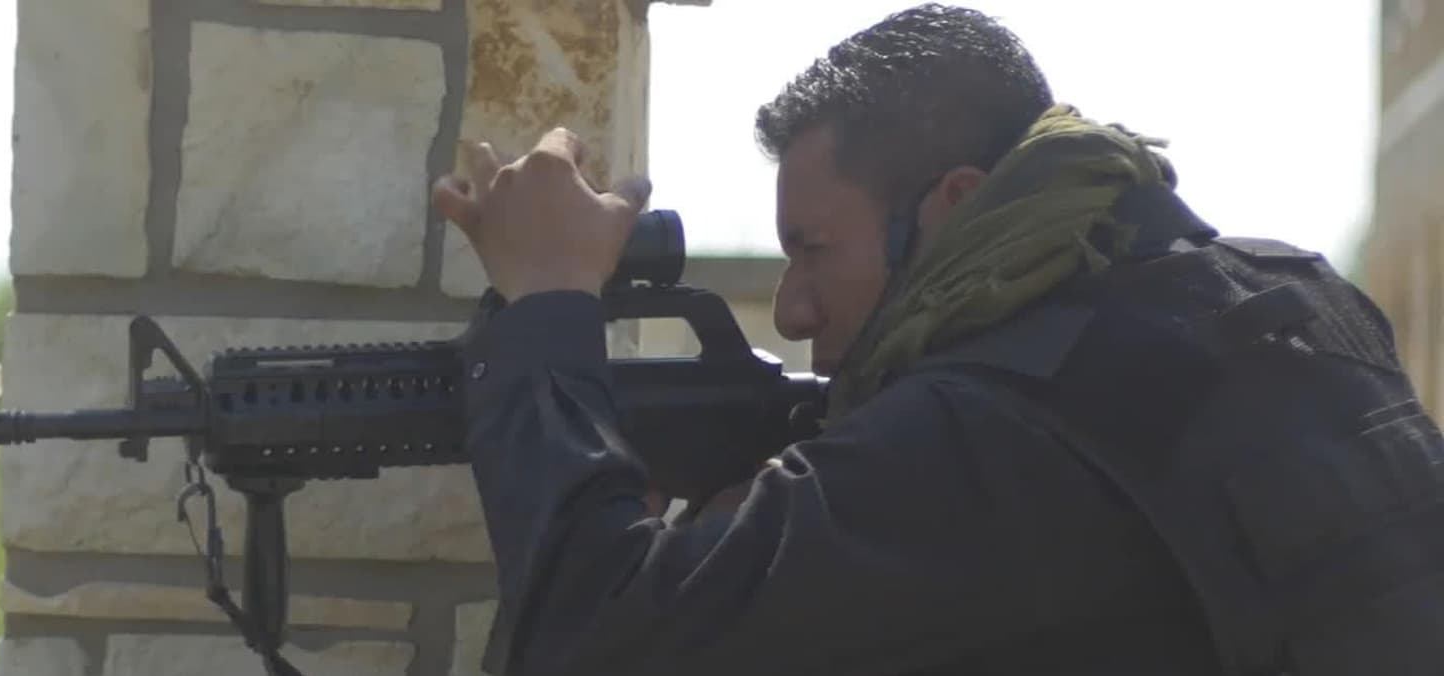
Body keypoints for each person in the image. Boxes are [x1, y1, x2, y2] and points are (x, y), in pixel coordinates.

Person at [430, 4, 1444, 676]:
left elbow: (596, 636)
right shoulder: (1299, 297)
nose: (792, 310)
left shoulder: (992, 429)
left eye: (814, 249)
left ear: (954, 204)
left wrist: (549, 302)